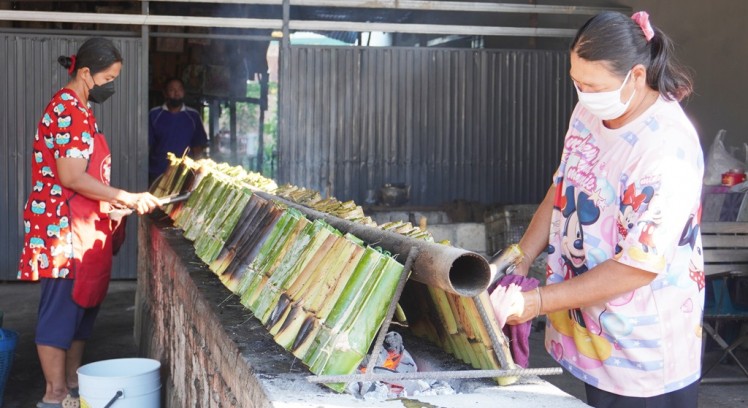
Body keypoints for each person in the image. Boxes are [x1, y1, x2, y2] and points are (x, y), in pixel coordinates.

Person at [497, 11, 704, 408]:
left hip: (644, 353)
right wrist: (520, 257)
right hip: (595, 334)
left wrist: (537, 301)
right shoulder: (591, 112)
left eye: (593, 85)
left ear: (637, 77)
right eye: (577, 82)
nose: (584, 94)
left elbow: (638, 265)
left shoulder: (666, 151)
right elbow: (562, 188)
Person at [17, 37, 161, 408]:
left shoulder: (82, 109)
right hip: (61, 229)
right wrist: (124, 196)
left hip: (83, 223)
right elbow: (71, 176)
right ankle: (54, 395)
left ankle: (73, 383)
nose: (111, 85)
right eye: (109, 77)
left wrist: (110, 208)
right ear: (85, 72)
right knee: (60, 312)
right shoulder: (66, 110)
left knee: (83, 306)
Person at [148, 78, 208, 185]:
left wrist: (198, 172)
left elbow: (198, 147)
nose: (176, 93)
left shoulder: (193, 116)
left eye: (179, 90)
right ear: (165, 93)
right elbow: (147, 146)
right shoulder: (154, 114)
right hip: (158, 172)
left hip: (184, 174)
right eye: (172, 90)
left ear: (184, 92)